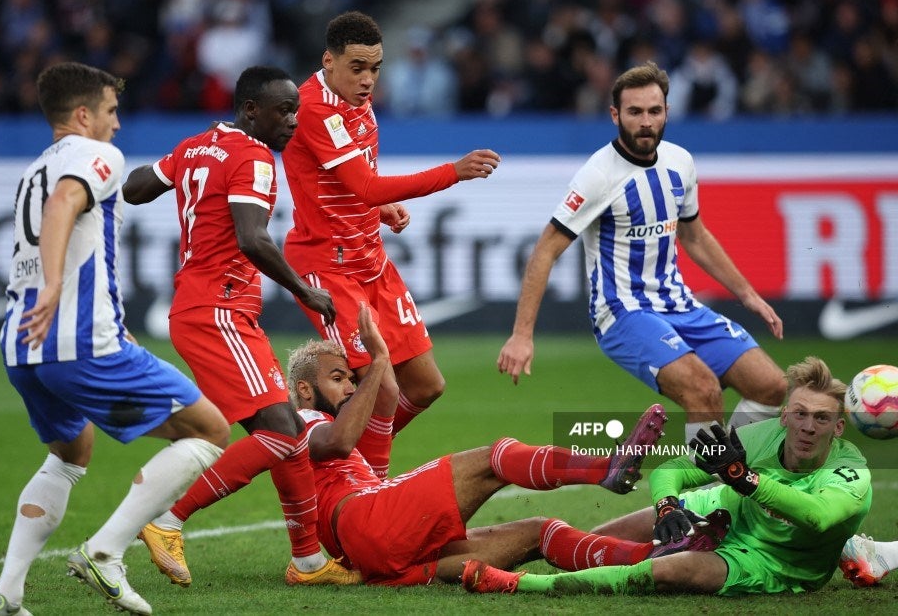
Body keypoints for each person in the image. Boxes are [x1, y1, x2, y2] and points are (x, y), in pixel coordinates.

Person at [0, 62, 230, 616]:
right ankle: (105, 552)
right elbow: (64, 204)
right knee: (210, 429)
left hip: (22, 345)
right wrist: (54, 286)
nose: (117, 124)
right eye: (111, 111)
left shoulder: (35, 168)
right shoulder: (98, 157)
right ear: (82, 115)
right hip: (78, 340)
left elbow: (63, 222)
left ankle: (7, 595)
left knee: (71, 453)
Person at [122, 66, 359, 588]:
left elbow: (135, 189)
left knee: (287, 433)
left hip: (206, 310)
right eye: (283, 110)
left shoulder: (196, 146)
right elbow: (253, 238)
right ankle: (167, 520)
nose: (293, 121)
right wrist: (304, 290)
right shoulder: (253, 157)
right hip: (219, 311)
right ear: (251, 110)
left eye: (296, 110)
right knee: (283, 431)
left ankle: (308, 562)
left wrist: (176, 163)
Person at [498, 60, 787, 444]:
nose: (646, 122)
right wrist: (522, 335)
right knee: (702, 390)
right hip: (622, 313)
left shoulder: (680, 162)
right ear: (615, 115)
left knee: (771, 387)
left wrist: (747, 294)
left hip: (679, 305)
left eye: (654, 111)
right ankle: (708, 478)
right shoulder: (598, 175)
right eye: (635, 112)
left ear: (667, 111)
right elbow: (545, 250)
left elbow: (695, 236)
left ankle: (727, 464)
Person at [293, 302, 679, 586]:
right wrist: (378, 361)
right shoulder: (304, 421)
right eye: (338, 379)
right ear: (305, 390)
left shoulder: (347, 436)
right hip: (366, 522)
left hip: (377, 549)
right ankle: (604, 469)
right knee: (495, 457)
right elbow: (338, 442)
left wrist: (377, 364)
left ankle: (656, 560)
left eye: (351, 380)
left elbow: (387, 399)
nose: (350, 388)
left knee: (539, 532)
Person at [465, 356, 872, 597]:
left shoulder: (850, 471)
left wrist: (745, 479)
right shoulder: (758, 437)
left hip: (772, 561)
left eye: (822, 418)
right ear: (784, 416)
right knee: (592, 545)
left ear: (838, 428)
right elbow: (672, 469)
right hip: (723, 508)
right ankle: (687, 536)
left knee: (667, 572)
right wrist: (666, 505)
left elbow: (817, 515)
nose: (808, 427)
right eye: (800, 414)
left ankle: (519, 584)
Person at [281, 9, 502, 448]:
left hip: (372, 260)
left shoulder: (357, 102)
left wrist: (380, 208)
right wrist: (453, 172)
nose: (368, 80)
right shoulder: (314, 109)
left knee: (426, 385)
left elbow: (346, 182)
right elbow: (364, 185)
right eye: (357, 68)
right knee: (381, 391)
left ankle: (342, 455)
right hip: (329, 266)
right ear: (329, 61)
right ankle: (354, 475)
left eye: (376, 69)